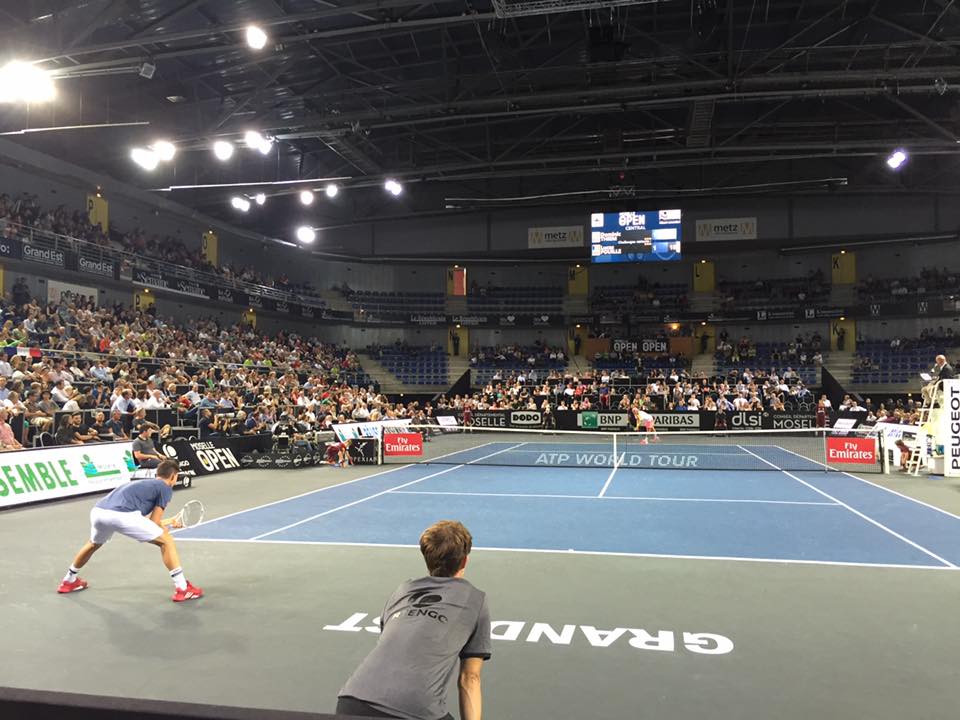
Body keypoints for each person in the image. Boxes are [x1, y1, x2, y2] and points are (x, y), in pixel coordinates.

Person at [337, 520, 490, 720]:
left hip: (351, 703)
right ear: (464, 561)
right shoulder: (475, 599)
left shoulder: (402, 591)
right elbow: (470, 678)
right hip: (416, 712)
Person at [57, 459, 203, 602]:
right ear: (173, 476)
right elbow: (154, 523)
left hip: (98, 512)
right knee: (166, 541)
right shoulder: (165, 488)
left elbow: (143, 522)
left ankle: (69, 580)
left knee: (93, 544)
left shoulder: (142, 485)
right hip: (121, 516)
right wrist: (168, 527)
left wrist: (170, 522)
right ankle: (183, 589)